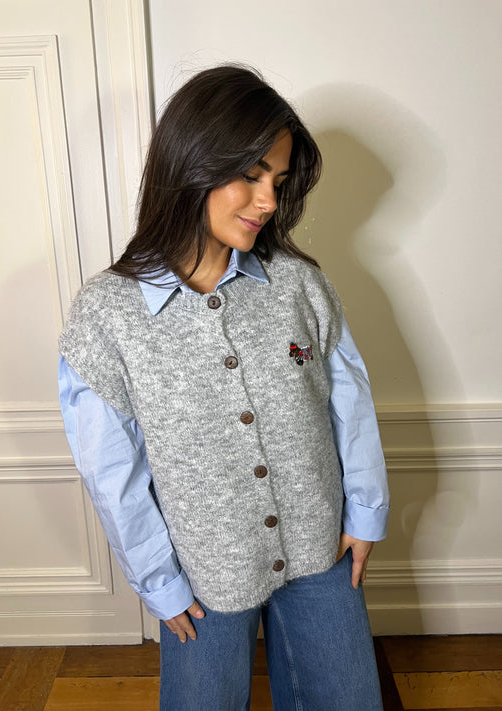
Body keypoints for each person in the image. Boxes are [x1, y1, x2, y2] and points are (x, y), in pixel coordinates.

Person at [58, 64, 390, 711]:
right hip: (201, 569)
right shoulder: (107, 315)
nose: (268, 202)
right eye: (250, 175)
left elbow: (348, 400)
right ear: (192, 164)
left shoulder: (298, 285)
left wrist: (365, 509)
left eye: (278, 181)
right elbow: (111, 468)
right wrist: (159, 581)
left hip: (321, 544)